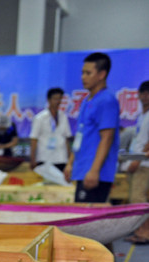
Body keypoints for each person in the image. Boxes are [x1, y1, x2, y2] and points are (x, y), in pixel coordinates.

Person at [64, 52, 120, 203]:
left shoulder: (107, 100)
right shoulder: (86, 101)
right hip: (82, 170)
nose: (83, 77)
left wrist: (94, 171)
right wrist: (70, 163)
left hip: (95, 174)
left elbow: (107, 138)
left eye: (88, 73)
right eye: (82, 72)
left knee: (89, 222)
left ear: (102, 74)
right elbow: (80, 136)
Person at [122, 81, 149, 243]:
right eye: (143, 93)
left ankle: (144, 233)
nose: (145, 96)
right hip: (138, 161)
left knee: (138, 200)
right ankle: (142, 231)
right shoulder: (141, 116)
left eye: (148, 93)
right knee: (139, 200)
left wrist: (137, 161)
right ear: (138, 95)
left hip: (144, 164)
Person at [30, 87, 73, 172]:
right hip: (44, 157)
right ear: (49, 100)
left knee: (61, 184)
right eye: (55, 99)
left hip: (61, 158)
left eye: (60, 99)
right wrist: (32, 159)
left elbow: (66, 139)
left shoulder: (63, 117)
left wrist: (70, 160)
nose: (58, 102)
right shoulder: (40, 118)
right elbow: (34, 139)